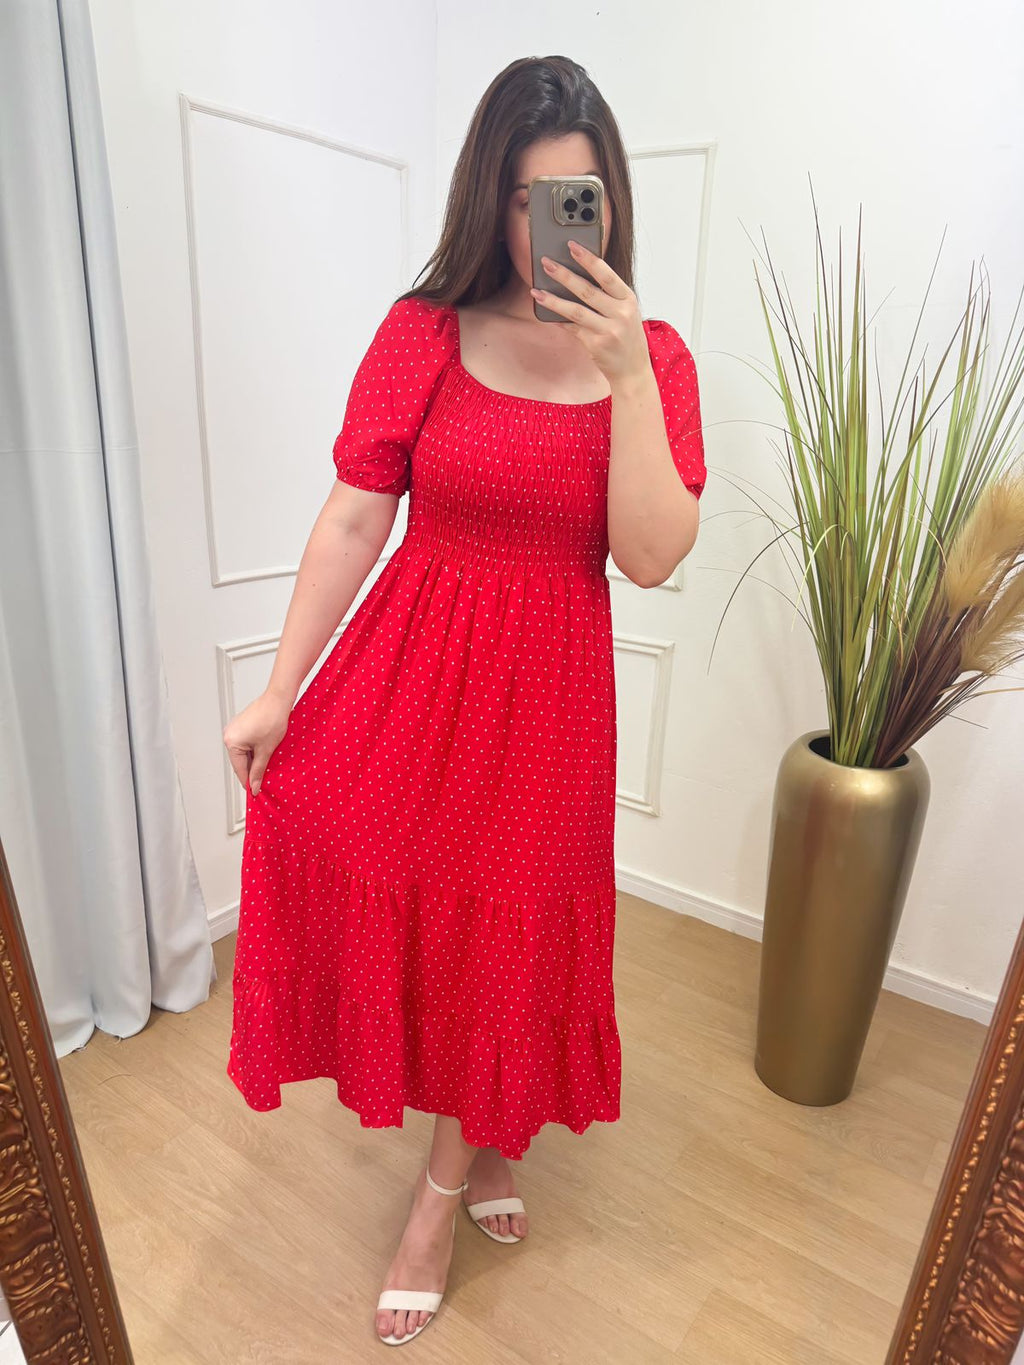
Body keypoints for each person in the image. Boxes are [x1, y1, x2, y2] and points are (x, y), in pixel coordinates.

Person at [222, 54, 706, 1348]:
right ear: (490, 197)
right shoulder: (424, 332)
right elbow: (354, 517)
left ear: (611, 204)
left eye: (580, 198)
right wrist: (279, 691)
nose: (554, 226)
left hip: (550, 707)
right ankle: (483, 1138)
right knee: (416, 905)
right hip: (415, 677)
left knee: (509, 942)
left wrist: (627, 375)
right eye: (530, 198)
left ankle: (439, 1195)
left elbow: (651, 555)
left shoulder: (653, 360)